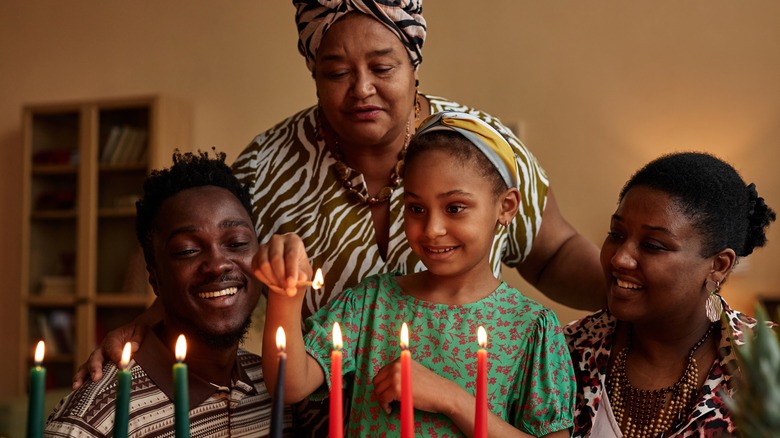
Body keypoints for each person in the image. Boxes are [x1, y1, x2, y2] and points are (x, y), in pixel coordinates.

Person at [74, 0, 604, 434]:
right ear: (313, 71)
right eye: (336, 72)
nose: (362, 89)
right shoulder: (269, 164)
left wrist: (644, 288)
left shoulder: (477, 150)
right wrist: (145, 324)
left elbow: (554, 251)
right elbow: (215, 261)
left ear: (413, 62)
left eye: (382, 66)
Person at [263, 111, 576, 437]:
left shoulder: (529, 327)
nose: (432, 229)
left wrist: (452, 400)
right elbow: (289, 385)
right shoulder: (371, 304)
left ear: (506, 207)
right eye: (416, 208)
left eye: (455, 208)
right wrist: (285, 292)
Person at [46, 151, 291, 437]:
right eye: (187, 250)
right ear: (154, 277)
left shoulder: (279, 387)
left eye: (236, 243)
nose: (218, 265)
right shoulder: (96, 418)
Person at [564, 152, 777, 437]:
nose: (620, 259)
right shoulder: (566, 352)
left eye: (652, 245)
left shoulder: (765, 364)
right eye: (616, 234)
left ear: (718, 265)